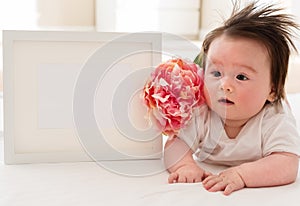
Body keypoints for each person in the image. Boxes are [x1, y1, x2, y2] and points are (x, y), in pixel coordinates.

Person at [164, 1, 300, 195]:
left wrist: (243, 175)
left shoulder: (275, 118)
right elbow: (175, 143)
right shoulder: (203, 111)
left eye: (241, 77)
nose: (224, 85)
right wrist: (185, 166)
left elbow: (287, 163)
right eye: (216, 73)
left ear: (273, 90)